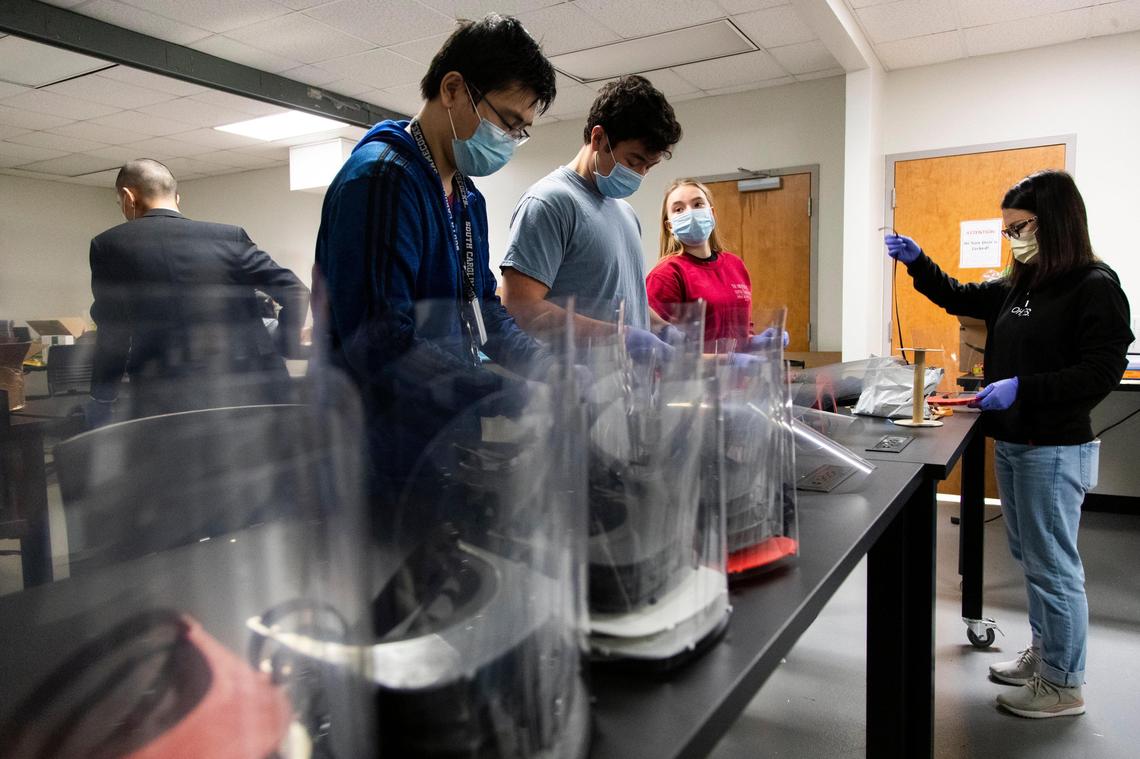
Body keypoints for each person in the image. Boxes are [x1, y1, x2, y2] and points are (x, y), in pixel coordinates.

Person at [885, 170, 1132, 719]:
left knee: (1053, 566)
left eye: (1020, 226)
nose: (1013, 237)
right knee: (1032, 558)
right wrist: (918, 261)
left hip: (1054, 447)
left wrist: (1023, 386)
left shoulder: (1094, 285)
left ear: (1056, 222)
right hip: (1017, 443)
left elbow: (1100, 371)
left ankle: (1064, 683)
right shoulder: (1020, 283)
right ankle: (1046, 658)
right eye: (1008, 228)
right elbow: (958, 296)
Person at [314, 15, 558, 503]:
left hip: (438, 435)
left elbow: (483, 311)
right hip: (376, 449)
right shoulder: (381, 180)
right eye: (508, 122)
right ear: (453, 89)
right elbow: (379, 340)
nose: (511, 140)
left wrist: (547, 366)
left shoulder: (467, 199)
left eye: (521, 131)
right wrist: (493, 393)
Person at [88, 159, 308, 422]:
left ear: (127, 197)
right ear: (177, 197)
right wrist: (287, 345)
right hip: (253, 389)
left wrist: (102, 397)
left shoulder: (110, 245)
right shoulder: (230, 237)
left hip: (167, 397)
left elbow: (114, 333)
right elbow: (295, 290)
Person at [500, 75, 682, 352]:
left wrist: (660, 328)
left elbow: (624, 303)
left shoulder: (625, 212)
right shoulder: (551, 202)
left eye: (649, 166)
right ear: (598, 138)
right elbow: (521, 306)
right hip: (576, 390)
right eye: (634, 161)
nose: (640, 174)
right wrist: (620, 336)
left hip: (628, 392)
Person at [646, 178, 787, 350]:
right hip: (693, 376)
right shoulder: (666, 275)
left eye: (698, 205)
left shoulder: (735, 265)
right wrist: (727, 361)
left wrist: (756, 342)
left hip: (737, 375)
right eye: (679, 209)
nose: (690, 213)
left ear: (711, 213)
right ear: (669, 226)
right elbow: (660, 346)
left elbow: (741, 330)